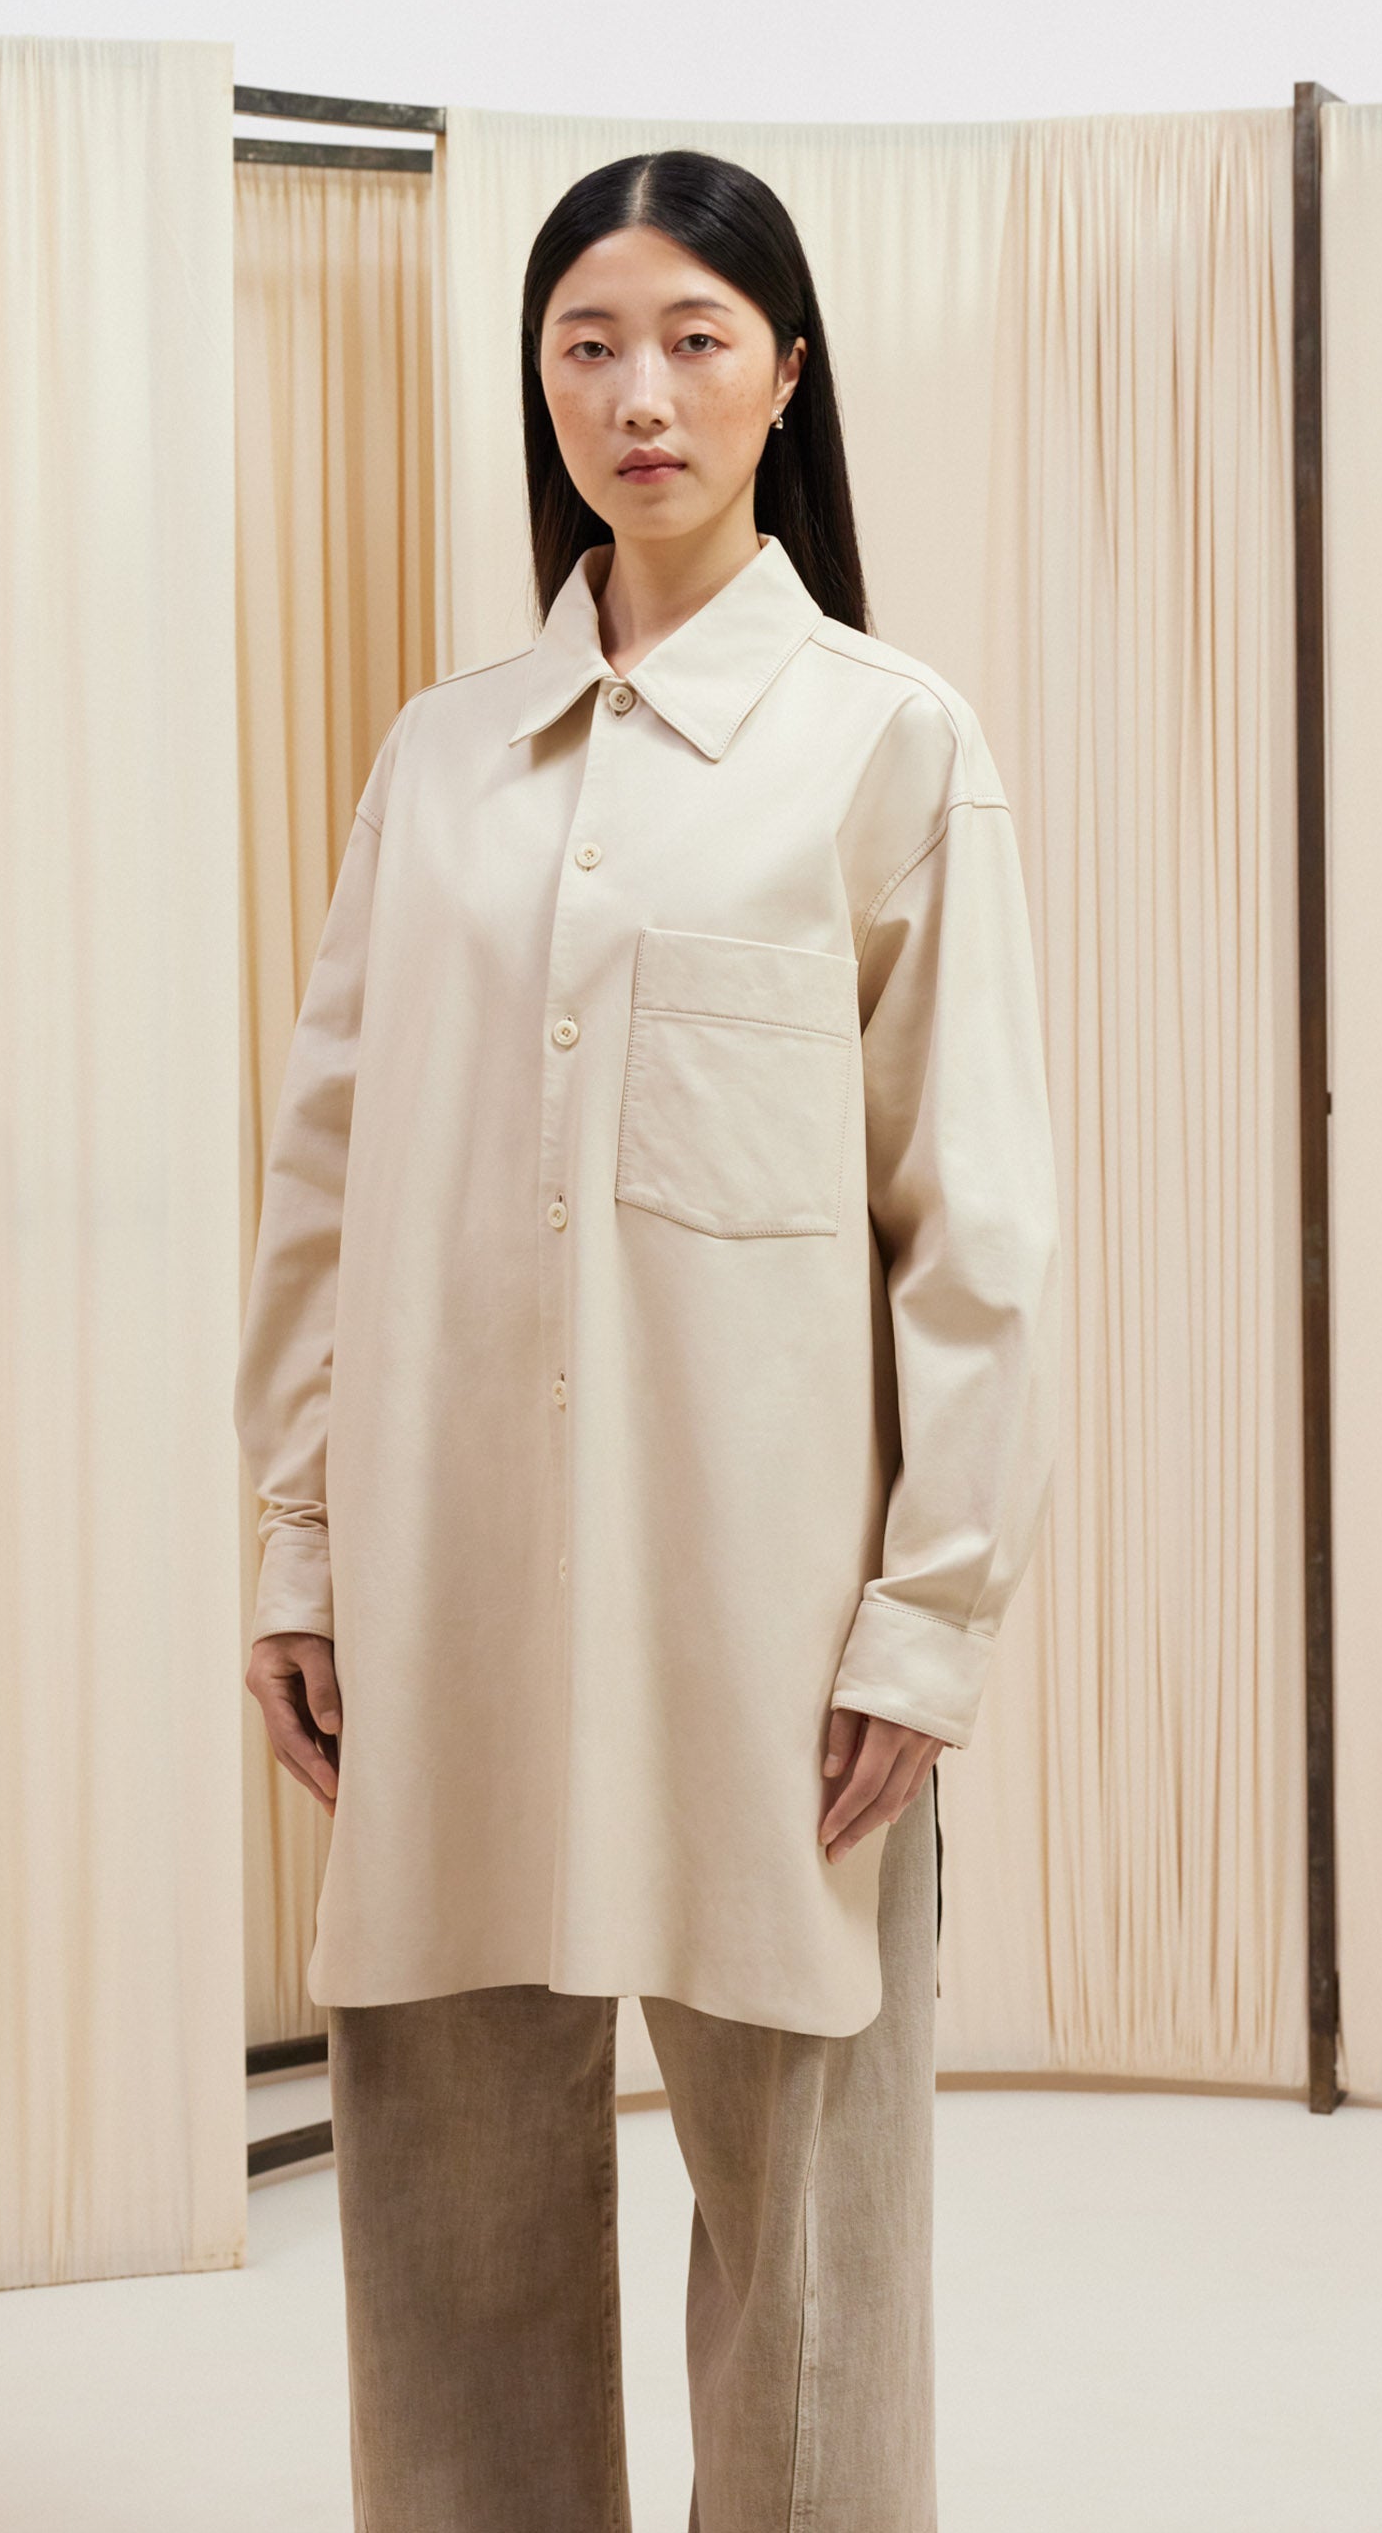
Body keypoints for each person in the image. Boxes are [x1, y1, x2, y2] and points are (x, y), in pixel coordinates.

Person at [233, 145, 1062, 2533]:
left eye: (697, 339)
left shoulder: (889, 741)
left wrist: (927, 1619)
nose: (641, 395)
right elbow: (328, 1173)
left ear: (788, 377)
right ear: (542, 385)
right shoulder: (440, 758)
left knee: (811, 2236)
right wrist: (298, 1544)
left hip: (765, 1622)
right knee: (450, 2200)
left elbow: (975, 1222)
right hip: (452, 1591)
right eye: (588, 344)